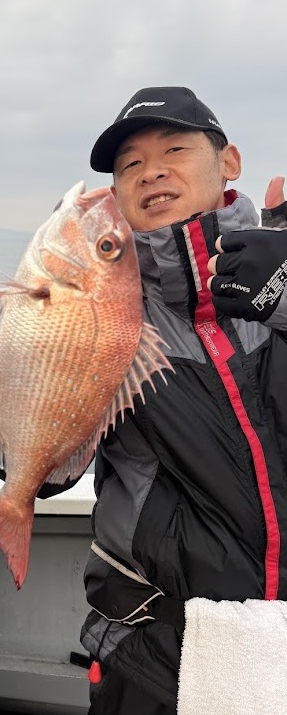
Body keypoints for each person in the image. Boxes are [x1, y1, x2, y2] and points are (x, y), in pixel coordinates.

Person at [78, 86, 287, 714]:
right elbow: (38, 468)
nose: (152, 171)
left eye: (175, 149)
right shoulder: (102, 308)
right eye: (131, 164)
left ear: (229, 162)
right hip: (157, 655)